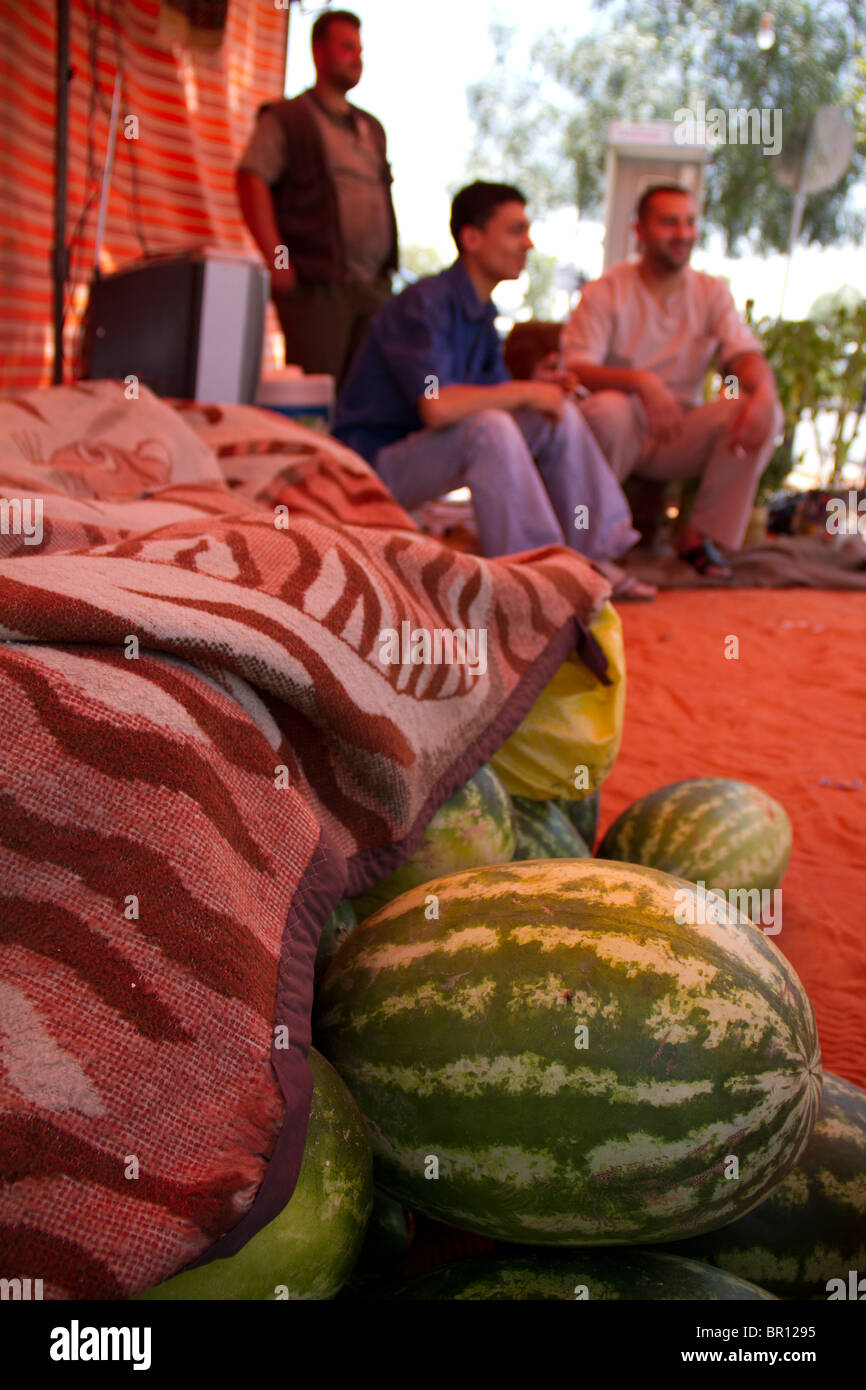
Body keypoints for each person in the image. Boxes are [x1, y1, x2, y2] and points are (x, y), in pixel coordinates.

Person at [335, 181, 654, 598]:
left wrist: (534, 389)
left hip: (429, 451)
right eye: (516, 230)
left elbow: (491, 394)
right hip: (374, 467)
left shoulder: (482, 312)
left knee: (554, 412)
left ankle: (594, 556)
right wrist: (522, 392)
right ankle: (533, 576)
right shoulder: (422, 304)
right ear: (472, 238)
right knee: (491, 427)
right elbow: (438, 407)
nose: (529, 243)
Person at [560, 184, 783, 578]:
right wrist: (641, 383)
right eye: (669, 222)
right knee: (611, 410)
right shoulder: (606, 291)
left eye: (690, 222)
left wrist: (764, 393)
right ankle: (589, 546)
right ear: (640, 232)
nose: (683, 233)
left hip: (678, 432)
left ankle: (697, 539)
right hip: (616, 428)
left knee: (762, 408)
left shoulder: (711, 291)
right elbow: (576, 369)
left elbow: (743, 354)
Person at [236, 10, 397, 386]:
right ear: (318, 52)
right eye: (346, 46)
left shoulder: (372, 127)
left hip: (372, 287)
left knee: (368, 395)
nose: (357, 57)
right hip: (317, 287)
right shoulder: (288, 118)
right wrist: (278, 260)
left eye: (359, 48)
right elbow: (251, 180)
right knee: (315, 395)